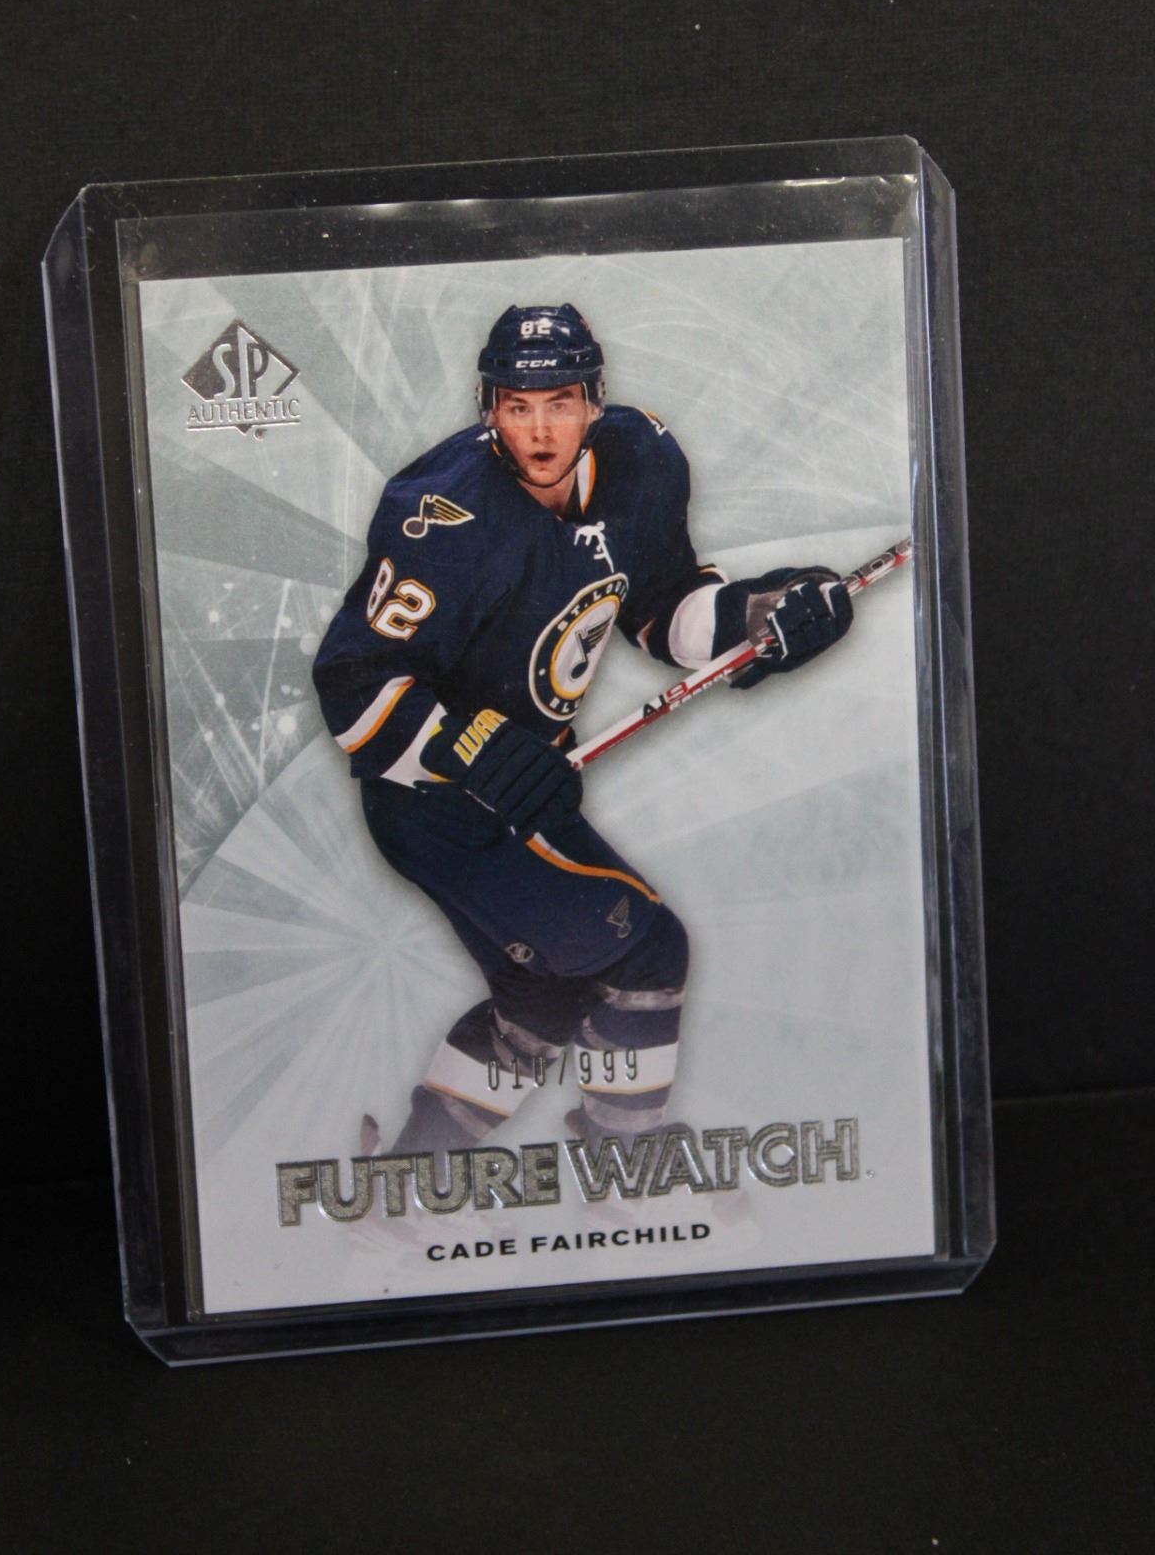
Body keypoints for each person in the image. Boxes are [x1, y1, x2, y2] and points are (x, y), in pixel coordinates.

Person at [313, 304, 852, 1155]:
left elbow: (662, 609)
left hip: (526, 794)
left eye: (560, 404)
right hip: (432, 804)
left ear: (595, 401)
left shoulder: (642, 459)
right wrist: (476, 746)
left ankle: (416, 1177)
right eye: (518, 406)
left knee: (544, 997)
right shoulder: (442, 518)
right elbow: (353, 685)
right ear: (489, 408)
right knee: (647, 954)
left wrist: (760, 616)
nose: (539, 431)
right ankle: (627, 1159)